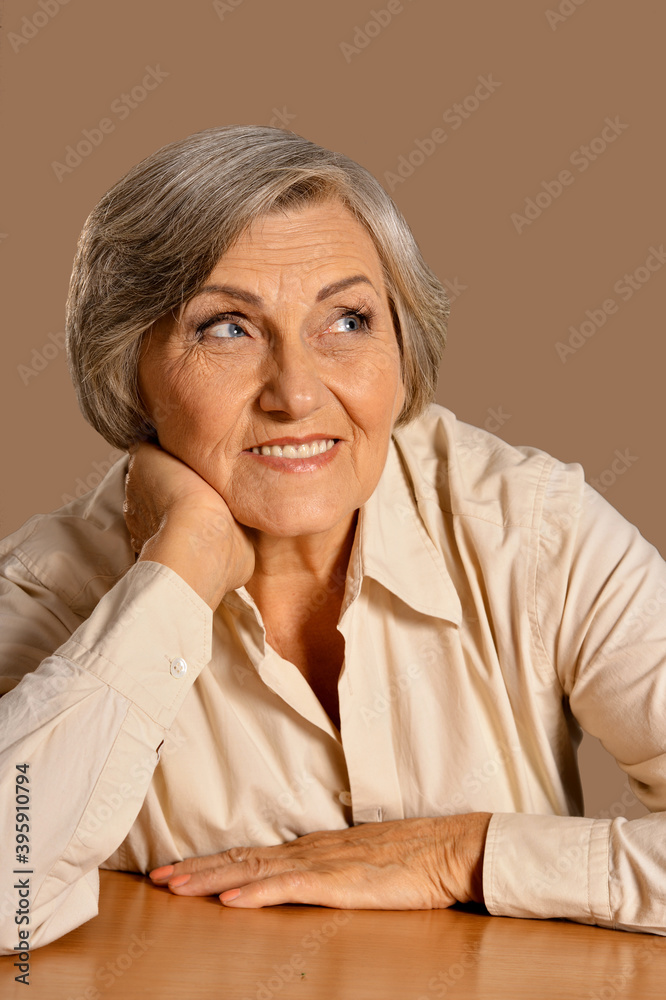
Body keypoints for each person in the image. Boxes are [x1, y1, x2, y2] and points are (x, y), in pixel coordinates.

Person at [1, 125, 665, 955]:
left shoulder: (531, 528)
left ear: (401, 343)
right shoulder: (53, 588)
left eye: (346, 320)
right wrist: (178, 571)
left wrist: (462, 855)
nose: (296, 393)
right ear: (126, 365)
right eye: (226, 328)